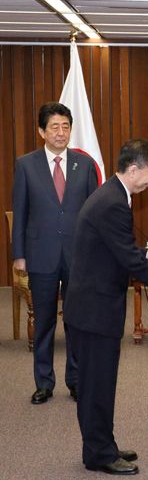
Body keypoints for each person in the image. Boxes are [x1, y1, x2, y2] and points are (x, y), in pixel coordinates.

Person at [63, 139, 148, 476]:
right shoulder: (113, 202)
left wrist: (147, 254)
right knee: (96, 385)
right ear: (134, 168)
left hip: (91, 305)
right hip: (94, 311)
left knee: (100, 382)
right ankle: (98, 454)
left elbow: (117, 251)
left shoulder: (112, 194)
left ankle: (101, 444)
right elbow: (127, 260)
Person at [12, 102, 98, 405]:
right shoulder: (25, 165)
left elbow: (93, 214)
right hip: (40, 254)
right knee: (45, 321)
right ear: (41, 131)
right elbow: (20, 213)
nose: (60, 133)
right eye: (54, 127)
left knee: (76, 321)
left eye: (65, 126)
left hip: (79, 255)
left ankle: (75, 380)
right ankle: (44, 382)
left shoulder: (84, 165)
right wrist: (19, 254)